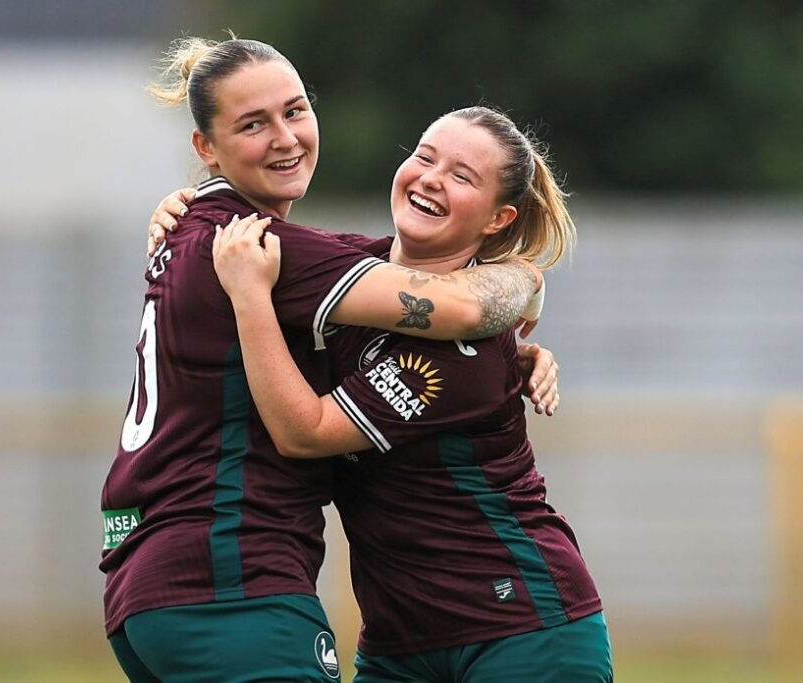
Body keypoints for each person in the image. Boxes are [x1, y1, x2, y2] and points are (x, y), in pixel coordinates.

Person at [100, 36, 553, 683]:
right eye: (253, 124)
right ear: (207, 148)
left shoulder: (195, 228)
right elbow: (459, 309)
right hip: (231, 578)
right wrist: (526, 278)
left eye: (295, 110)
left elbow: (382, 278)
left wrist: (522, 346)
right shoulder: (260, 249)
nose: (286, 137)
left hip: (148, 586)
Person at [210, 106, 613, 681]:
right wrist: (182, 207)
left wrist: (250, 298)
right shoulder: (352, 268)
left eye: (461, 176)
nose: (430, 177)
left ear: (499, 218)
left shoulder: (465, 350)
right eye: (424, 157)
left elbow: (307, 433)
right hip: (397, 645)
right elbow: (239, 235)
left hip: (522, 630)